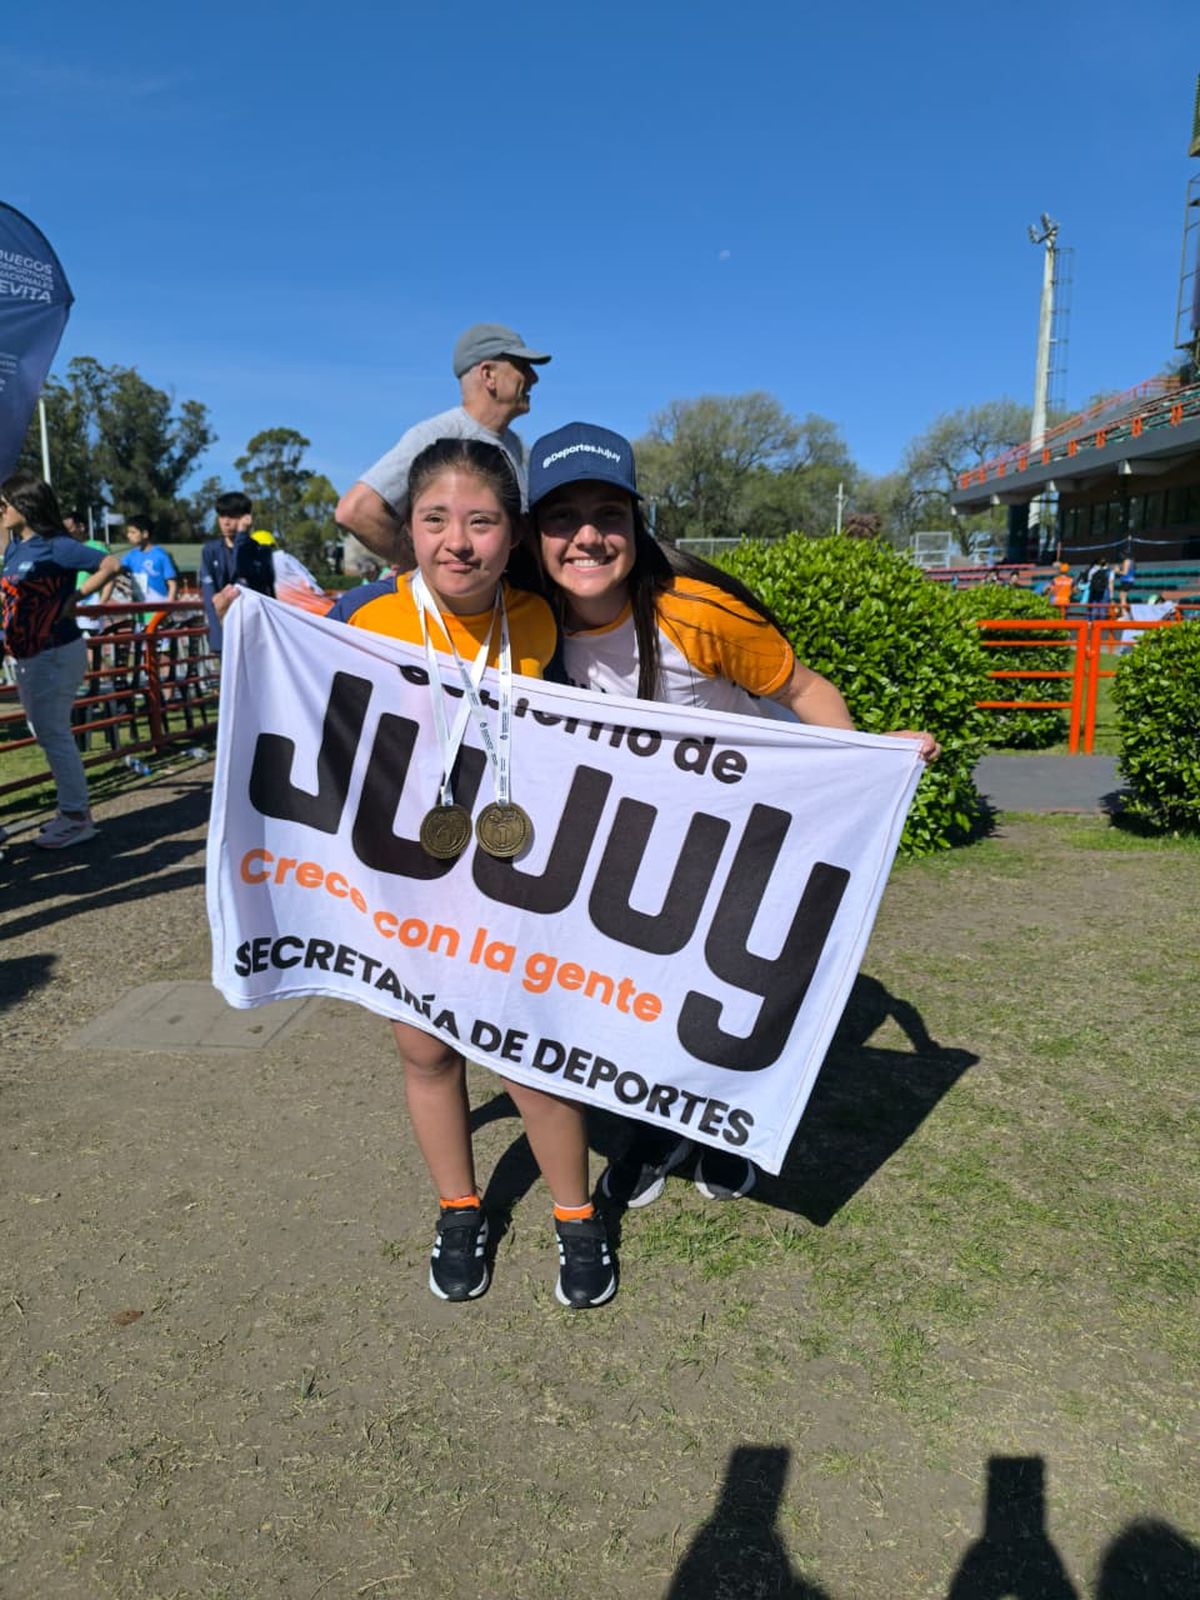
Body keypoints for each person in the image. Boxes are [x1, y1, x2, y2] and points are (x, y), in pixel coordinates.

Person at [219, 438, 615, 1309]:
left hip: (516, 875)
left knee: (531, 1053)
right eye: (436, 520)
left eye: (481, 522)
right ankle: (460, 1207)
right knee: (426, 1048)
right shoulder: (364, 620)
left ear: (512, 536)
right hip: (407, 878)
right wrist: (250, 630)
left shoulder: (541, 621)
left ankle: (576, 1216)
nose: (458, 542)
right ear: (408, 529)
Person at [528, 422, 940, 1210]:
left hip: (736, 841)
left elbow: (803, 690)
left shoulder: (696, 612)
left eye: (609, 513)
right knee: (635, 993)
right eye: (561, 517)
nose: (587, 536)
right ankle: (656, 1128)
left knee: (718, 1000)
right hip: (622, 845)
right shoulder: (529, 615)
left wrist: (860, 770)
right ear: (532, 533)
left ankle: (715, 1128)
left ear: (637, 524)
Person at [335, 323, 551, 570]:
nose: (534, 377)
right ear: (488, 375)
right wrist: (427, 569)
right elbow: (357, 511)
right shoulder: (436, 436)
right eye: (523, 367)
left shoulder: (518, 448)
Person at [1, 473, 122, 847]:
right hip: (31, 653)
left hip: (55, 651)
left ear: (26, 505)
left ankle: (76, 816)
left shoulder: (56, 546)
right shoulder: (15, 548)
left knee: (53, 732)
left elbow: (110, 564)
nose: (1, 511)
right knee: (47, 731)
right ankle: (71, 811)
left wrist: (77, 598)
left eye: (4, 504)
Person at [199, 492, 275, 656]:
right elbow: (209, 593)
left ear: (245, 518)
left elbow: (243, 570)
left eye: (232, 516)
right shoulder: (210, 550)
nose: (225, 522)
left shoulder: (260, 550)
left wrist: (241, 536)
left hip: (254, 633)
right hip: (223, 633)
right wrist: (218, 635)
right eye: (221, 516)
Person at [249, 530, 333, 616]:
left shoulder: (252, 569)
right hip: (320, 611)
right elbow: (310, 583)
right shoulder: (283, 558)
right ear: (272, 545)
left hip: (289, 617)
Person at [122, 513, 179, 619]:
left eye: (133, 532)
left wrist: (168, 609)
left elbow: (172, 584)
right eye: (128, 532)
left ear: (145, 534)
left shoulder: (161, 555)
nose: (128, 535)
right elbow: (117, 573)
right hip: (138, 614)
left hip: (159, 612)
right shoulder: (129, 556)